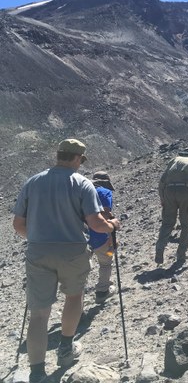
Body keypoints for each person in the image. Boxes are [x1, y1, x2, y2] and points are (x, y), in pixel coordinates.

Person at [12, 139, 120, 382]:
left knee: (38, 314)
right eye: (81, 160)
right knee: (74, 297)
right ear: (76, 158)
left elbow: (18, 224)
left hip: (38, 251)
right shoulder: (82, 183)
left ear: (59, 155)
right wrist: (112, 224)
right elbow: (95, 224)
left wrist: (40, 236)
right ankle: (65, 350)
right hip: (72, 250)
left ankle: (37, 372)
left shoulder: (33, 182)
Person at [156, 148, 188, 266]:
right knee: (185, 225)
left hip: (168, 191)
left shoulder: (174, 160)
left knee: (167, 223)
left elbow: (162, 181)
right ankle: (181, 255)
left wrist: (162, 197)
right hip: (185, 191)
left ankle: (159, 248)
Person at [88, 171, 116, 304]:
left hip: (80, 237)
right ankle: (102, 291)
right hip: (100, 236)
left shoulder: (80, 191)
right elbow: (105, 215)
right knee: (106, 261)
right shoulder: (104, 192)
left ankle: (77, 302)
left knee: (81, 269)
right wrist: (111, 235)